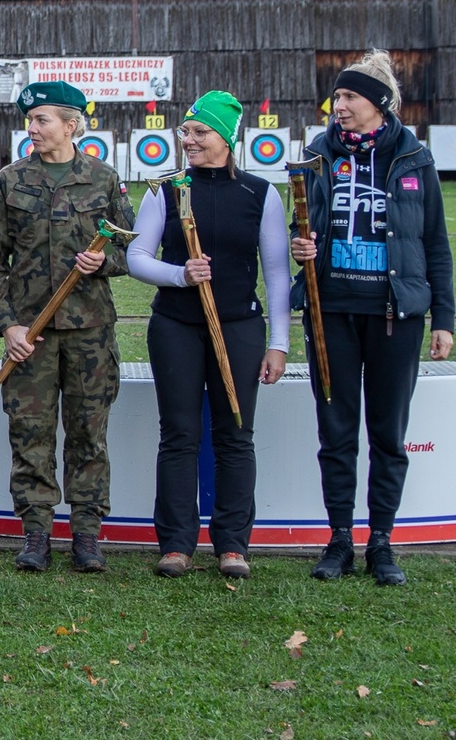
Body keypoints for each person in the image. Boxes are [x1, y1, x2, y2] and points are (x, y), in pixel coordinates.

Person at [292, 50, 454, 586]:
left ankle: (381, 542)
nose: (338, 106)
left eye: (349, 97)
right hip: (331, 311)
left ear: (378, 104)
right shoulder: (317, 155)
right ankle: (339, 539)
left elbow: (435, 244)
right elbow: (304, 222)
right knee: (336, 432)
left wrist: (444, 318)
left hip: (395, 316)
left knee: (388, 434)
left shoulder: (415, 159)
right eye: (336, 97)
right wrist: (303, 246)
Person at [0, 81, 135, 574]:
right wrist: (7, 327)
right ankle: (36, 532)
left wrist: (100, 264)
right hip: (31, 333)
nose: (32, 128)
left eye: (42, 120)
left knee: (89, 433)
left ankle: (87, 534)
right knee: (31, 432)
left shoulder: (103, 180)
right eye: (30, 120)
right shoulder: (10, 180)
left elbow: (131, 251)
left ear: (71, 125)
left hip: (89, 332)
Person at [127, 91, 289, 579]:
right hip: (175, 325)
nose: (189, 140)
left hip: (239, 326)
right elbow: (137, 257)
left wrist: (278, 343)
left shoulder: (261, 193)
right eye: (186, 131)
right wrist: (181, 275)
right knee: (179, 436)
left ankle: (232, 544)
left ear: (226, 138)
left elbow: (278, 273)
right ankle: (176, 544)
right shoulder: (166, 190)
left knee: (236, 435)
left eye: (200, 132)